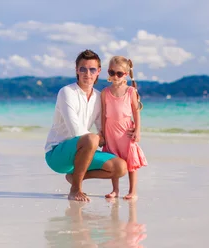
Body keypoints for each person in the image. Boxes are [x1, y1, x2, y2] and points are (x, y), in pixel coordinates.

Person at [44, 49, 128, 202]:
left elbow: (103, 128)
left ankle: (73, 176)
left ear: (99, 72)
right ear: (76, 70)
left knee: (120, 167)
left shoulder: (98, 96)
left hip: (83, 153)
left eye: (92, 69)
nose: (87, 74)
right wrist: (97, 139)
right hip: (57, 155)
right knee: (91, 139)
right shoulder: (67, 92)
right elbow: (76, 130)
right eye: (83, 69)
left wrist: (128, 132)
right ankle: (75, 189)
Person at [101, 56, 148, 200]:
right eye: (111, 72)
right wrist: (103, 133)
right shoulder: (105, 92)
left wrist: (138, 130)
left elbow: (136, 112)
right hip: (110, 132)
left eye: (119, 73)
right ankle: (115, 190)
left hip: (126, 131)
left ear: (125, 75)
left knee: (130, 161)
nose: (115, 76)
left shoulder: (130, 91)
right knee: (114, 160)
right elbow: (103, 115)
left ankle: (132, 191)